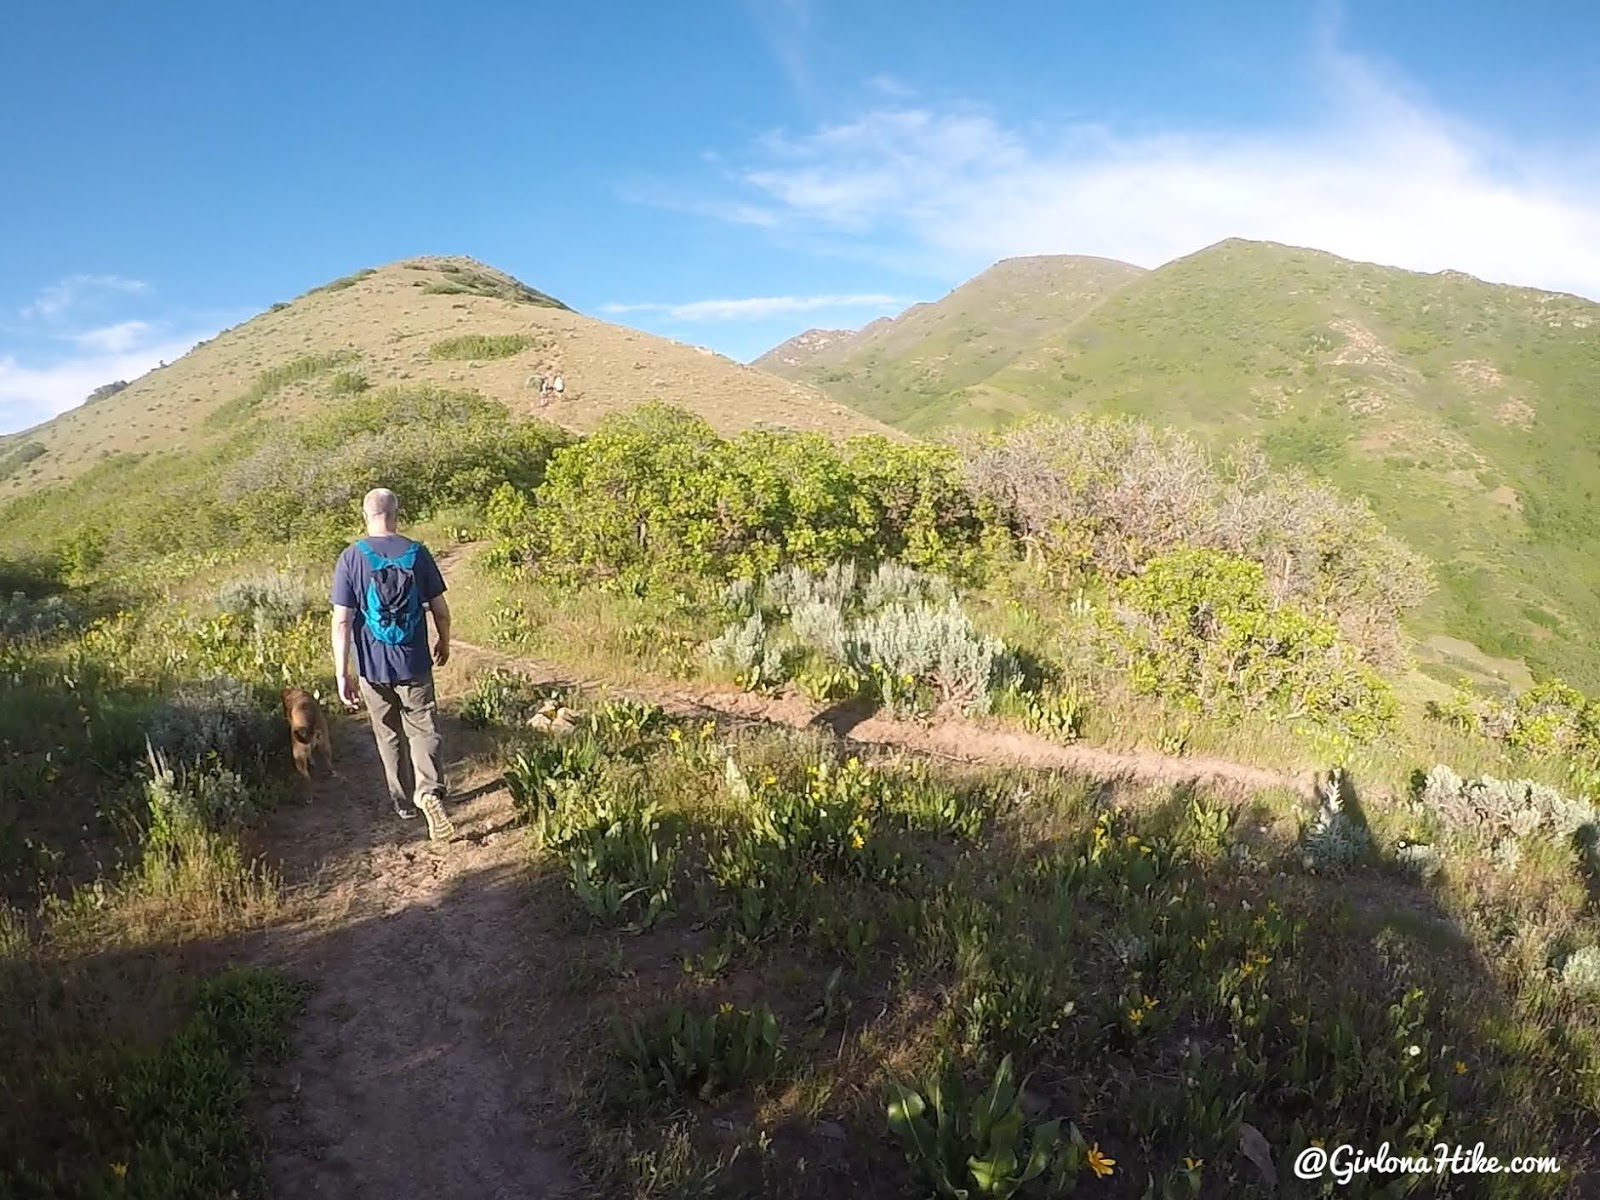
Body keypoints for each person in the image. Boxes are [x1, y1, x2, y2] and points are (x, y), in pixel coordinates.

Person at [331, 488, 455, 841]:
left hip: (372, 665)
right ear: (396, 513)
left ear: (365, 515)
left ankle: (403, 802)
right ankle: (429, 791)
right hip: (413, 659)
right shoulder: (417, 553)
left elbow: (342, 621)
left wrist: (343, 672)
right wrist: (443, 641)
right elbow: (441, 610)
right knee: (423, 728)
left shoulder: (351, 557)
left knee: (388, 732)